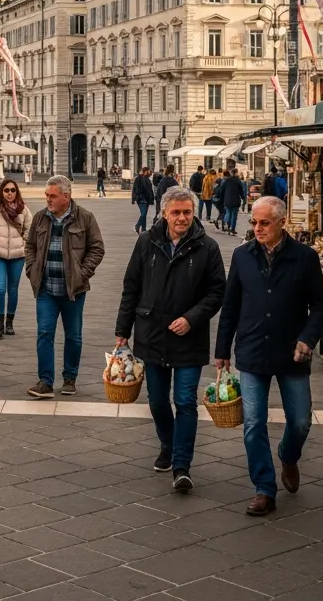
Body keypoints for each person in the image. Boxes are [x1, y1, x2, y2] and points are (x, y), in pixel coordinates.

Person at [215, 196, 323, 516]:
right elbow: (230, 305)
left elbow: (320, 305)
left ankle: (288, 455)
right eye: (254, 222)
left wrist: (307, 339)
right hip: (252, 350)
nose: (257, 228)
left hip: (292, 352)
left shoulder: (304, 257)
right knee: (253, 423)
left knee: (301, 421)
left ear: (282, 222)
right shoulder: (242, 255)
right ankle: (264, 488)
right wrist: (222, 350)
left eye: (264, 223)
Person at [115, 186, 226, 492]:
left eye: (187, 212)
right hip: (152, 333)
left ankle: (181, 466)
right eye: (176, 212)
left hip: (190, 337)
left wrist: (192, 318)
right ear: (164, 213)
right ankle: (168, 442)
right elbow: (131, 287)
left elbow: (217, 291)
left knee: (186, 402)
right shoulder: (146, 242)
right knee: (157, 401)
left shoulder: (207, 247)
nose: (182, 218)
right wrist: (122, 330)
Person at [25, 175, 106, 399]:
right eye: (47, 195)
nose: (48, 200)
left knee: (73, 336)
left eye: (52, 196)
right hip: (46, 289)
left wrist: (82, 274)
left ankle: (70, 378)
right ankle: (46, 382)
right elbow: (30, 245)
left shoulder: (85, 218)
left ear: (66, 196)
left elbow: (97, 248)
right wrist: (32, 270)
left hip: (73, 289)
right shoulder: (40, 218)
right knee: (44, 333)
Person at [0, 178, 32, 340]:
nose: (10, 193)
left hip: (17, 256)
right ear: (2, 192)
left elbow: (30, 228)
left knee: (13, 290)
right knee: (0, 289)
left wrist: (24, 243)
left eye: (13, 190)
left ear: (16, 192)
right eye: (6, 190)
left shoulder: (23, 209)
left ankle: (10, 322)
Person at [218, 170, 245, 235]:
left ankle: (227, 227)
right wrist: (243, 198)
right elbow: (241, 191)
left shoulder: (226, 181)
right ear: (236, 173)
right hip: (236, 200)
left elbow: (221, 191)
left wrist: (221, 199)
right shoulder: (238, 181)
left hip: (227, 200)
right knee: (234, 216)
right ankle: (232, 229)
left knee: (228, 213)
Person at [131, 167, 155, 234]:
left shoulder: (148, 179)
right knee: (143, 214)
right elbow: (134, 189)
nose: (150, 172)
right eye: (148, 171)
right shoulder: (138, 179)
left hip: (147, 199)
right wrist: (133, 198)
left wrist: (152, 199)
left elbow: (150, 190)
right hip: (141, 199)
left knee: (144, 215)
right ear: (145, 171)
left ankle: (143, 230)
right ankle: (137, 226)